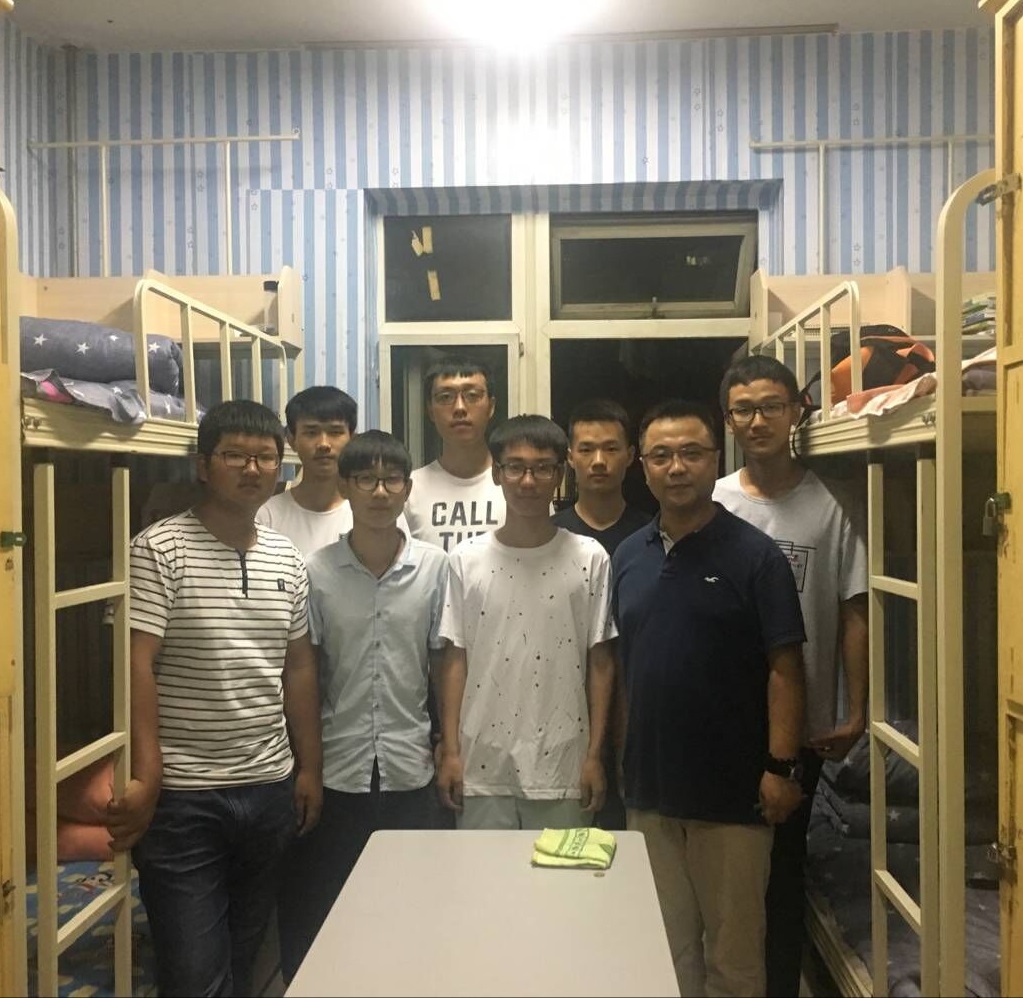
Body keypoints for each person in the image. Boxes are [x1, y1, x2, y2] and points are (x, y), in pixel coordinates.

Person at [106, 399, 323, 997]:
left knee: (244, 957)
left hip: (269, 786)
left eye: (265, 458)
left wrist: (309, 767)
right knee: (194, 974)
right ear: (204, 466)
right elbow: (136, 663)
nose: (252, 469)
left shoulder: (286, 557)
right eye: (234, 456)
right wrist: (149, 775)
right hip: (184, 798)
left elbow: (298, 667)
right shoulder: (158, 549)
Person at [612, 398, 806, 998]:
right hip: (650, 792)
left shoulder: (756, 557)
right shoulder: (629, 557)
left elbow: (785, 670)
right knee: (663, 951)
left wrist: (780, 767)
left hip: (733, 795)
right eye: (661, 456)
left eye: (691, 454)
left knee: (734, 959)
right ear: (643, 467)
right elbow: (626, 667)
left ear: (715, 460)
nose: (677, 468)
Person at [714, 354, 868, 998]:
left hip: (799, 724)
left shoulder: (833, 504)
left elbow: (853, 609)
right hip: (724, 720)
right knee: (723, 878)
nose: (757, 421)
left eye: (771, 407)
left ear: (797, 411)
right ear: (729, 420)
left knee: (781, 874)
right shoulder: (715, 500)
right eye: (743, 410)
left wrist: (856, 709)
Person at [276, 430, 449, 982]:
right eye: (366, 479)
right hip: (338, 768)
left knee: (411, 908)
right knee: (326, 909)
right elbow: (304, 673)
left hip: (410, 767)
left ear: (406, 489)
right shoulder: (316, 572)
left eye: (391, 479)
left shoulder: (435, 568)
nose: (379, 492)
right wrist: (308, 767)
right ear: (346, 487)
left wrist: (449, 748)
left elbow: (444, 662)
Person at [435, 414, 616, 831]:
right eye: (515, 467)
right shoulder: (465, 559)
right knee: (482, 875)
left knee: (561, 874)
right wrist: (452, 752)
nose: (528, 481)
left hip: (564, 765)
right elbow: (455, 660)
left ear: (560, 474)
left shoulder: (590, 557)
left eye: (542, 468)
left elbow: (601, 663)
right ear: (497, 474)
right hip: (481, 764)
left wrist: (594, 756)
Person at [552, 398, 650, 830]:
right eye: (586, 449)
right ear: (569, 457)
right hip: (565, 711)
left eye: (611, 449)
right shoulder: (549, 535)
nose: (598, 461)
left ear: (630, 456)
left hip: (640, 712)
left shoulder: (654, 534)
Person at [403, 357, 506, 553]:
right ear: (430, 410)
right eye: (445, 397)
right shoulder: (410, 490)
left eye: (472, 395)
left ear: (491, 406)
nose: (459, 408)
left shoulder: (519, 487)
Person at [256, 385, 358, 555]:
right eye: (311, 433)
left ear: (352, 439)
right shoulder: (266, 516)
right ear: (291, 440)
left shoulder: (374, 513)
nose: (324, 444)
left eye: (335, 432)